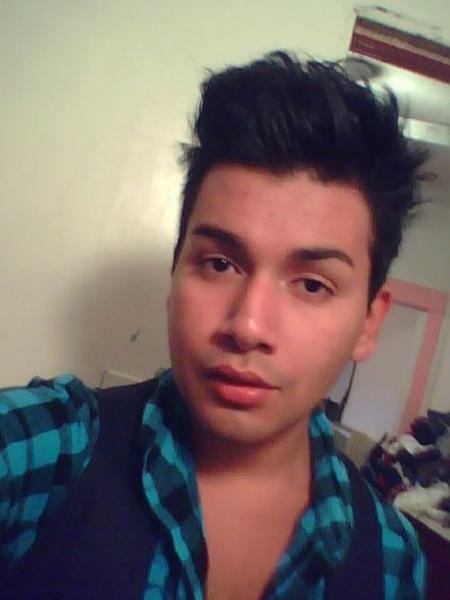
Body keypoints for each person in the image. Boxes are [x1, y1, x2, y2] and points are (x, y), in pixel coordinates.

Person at [0, 51, 427, 599]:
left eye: (312, 284)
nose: (247, 325)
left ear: (369, 322)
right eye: (220, 264)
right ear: (176, 270)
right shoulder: (53, 453)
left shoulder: (392, 559)